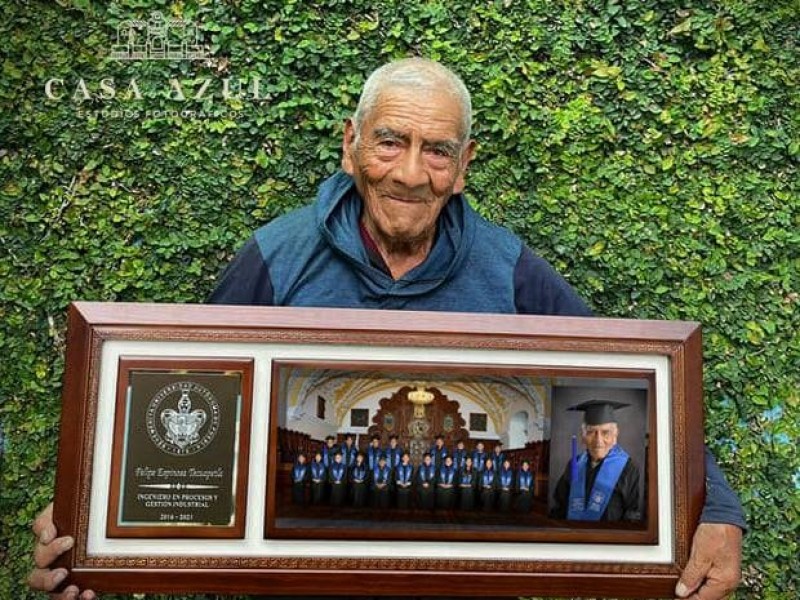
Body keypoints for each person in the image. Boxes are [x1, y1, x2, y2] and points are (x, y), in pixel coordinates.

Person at [30, 57, 744, 600]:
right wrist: (96, 522)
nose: (410, 173)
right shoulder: (275, 259)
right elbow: (193, 398)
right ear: (350, 145)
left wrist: (712, 506)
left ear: (463, 168)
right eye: (390, 141)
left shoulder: (513, 271)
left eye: (437, 151)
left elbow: (628, 385)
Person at [550, 400, 641, 522]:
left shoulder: (628, 469)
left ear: (615, 436)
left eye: (605, 433)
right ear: (582, 437)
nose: (598, 441)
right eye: (591, 432)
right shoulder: (574, 464)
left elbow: (633, 514)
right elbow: (559, 507)